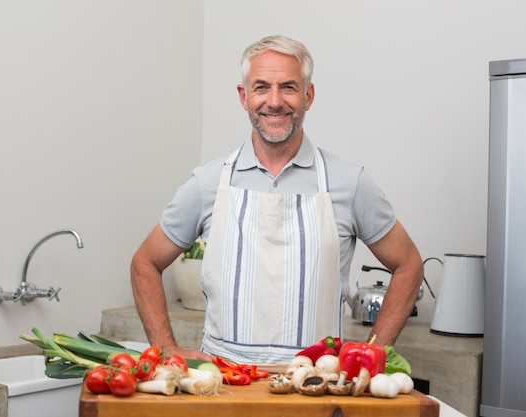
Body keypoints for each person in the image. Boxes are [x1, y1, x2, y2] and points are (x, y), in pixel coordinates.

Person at [130, 35, 423, 364]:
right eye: (261, 87)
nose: (274, 101)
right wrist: (166, 348)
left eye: (288, 87)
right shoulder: (208, 183)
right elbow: (145, 262)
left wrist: (372, 353)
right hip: (222, 389)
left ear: (308, 96)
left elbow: (408, 265)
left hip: (315, 390)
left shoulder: (349, 182)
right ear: (243, 96)